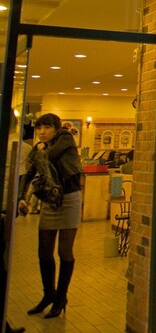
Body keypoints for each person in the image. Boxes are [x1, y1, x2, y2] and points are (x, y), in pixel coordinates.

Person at [16, 113, 85, 320]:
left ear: (56, 128)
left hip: (69, 198)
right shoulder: (41, 149)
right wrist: (21, 197)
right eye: (39, 128)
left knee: (65, 251)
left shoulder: (65, 139)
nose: (42, 132)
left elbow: (50, 157)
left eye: (46, 128)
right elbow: (29, 172)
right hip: (50, 200)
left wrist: (39, 150)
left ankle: (61, 298)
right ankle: (49, 295)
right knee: (44, 252)